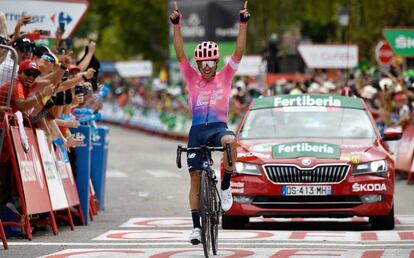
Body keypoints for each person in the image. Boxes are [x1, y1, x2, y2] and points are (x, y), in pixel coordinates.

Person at [169, 1, 250, 245]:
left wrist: (243, 23)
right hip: (197, 131)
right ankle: (196, 228)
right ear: (197, 64)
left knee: (231, 141)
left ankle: (225, 185)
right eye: (202, 63)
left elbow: (238, 52)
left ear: (216, 62)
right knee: (194, 177)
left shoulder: (226, 75)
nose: (206, 67)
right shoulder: (190, 77)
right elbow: (180, 53)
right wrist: (177, 26)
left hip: (217, 128)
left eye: (210, 62)